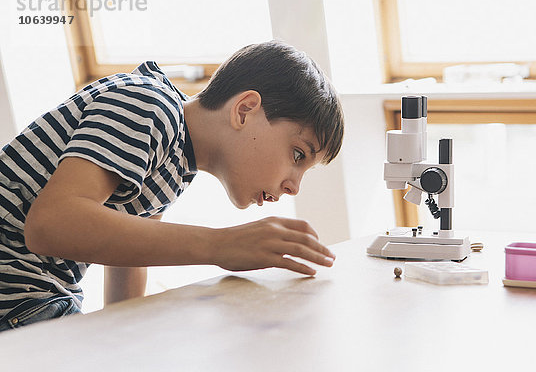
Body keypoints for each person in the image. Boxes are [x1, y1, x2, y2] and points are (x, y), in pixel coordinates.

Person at [0, 40, 344, 331]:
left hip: (35, 294)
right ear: (245, 109)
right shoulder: (150, 107)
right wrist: (220, 245)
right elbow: (51, 225)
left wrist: (125, 334)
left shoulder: (179, 159)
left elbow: (128, 250)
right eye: (298, 154)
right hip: (16, 292)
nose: (294, 186)